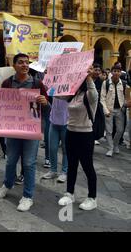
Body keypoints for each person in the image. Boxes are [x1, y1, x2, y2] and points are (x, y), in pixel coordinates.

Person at [0, 53, 49, 212]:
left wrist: (45, 102)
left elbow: (47, 109)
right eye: (21, 62)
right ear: (14, 65)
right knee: (11, 160)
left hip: (31, 130)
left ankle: (27, 196)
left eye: (27, 62)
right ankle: (7, 184)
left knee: (29, 163)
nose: (25, 65)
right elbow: (1, 104)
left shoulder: (37, 83)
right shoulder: (7, 83)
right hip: (12, 130)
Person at [58, 66, 98, 211]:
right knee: (72, 165)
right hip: (70, 132)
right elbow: (56, 93)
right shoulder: (72, 94)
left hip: (85, 134)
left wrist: (88, 76)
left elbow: (93, 92)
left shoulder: (89, 96)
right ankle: (69, 193)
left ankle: (92, 198)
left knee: (87, 166)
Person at [100, 64, 128, 157]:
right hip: (109, 109)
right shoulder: (106, 83)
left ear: (120, 73)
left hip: (120, 110)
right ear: (111, 72)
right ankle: (110, 148)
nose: (116, 73)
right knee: (109, 130)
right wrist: (105, 110)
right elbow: (102, 98)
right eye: (114, 71)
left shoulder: (124, 84)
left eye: (118, 71)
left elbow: (126, 98)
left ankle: (115, 144)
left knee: (120, 130)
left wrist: (125, 105)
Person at [42, 97, 68, 183]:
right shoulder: (54, 85)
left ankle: (64, 172)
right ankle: (53, 170)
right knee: (52, 148)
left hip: (67, 122)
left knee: (65, 149)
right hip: (53, 121)